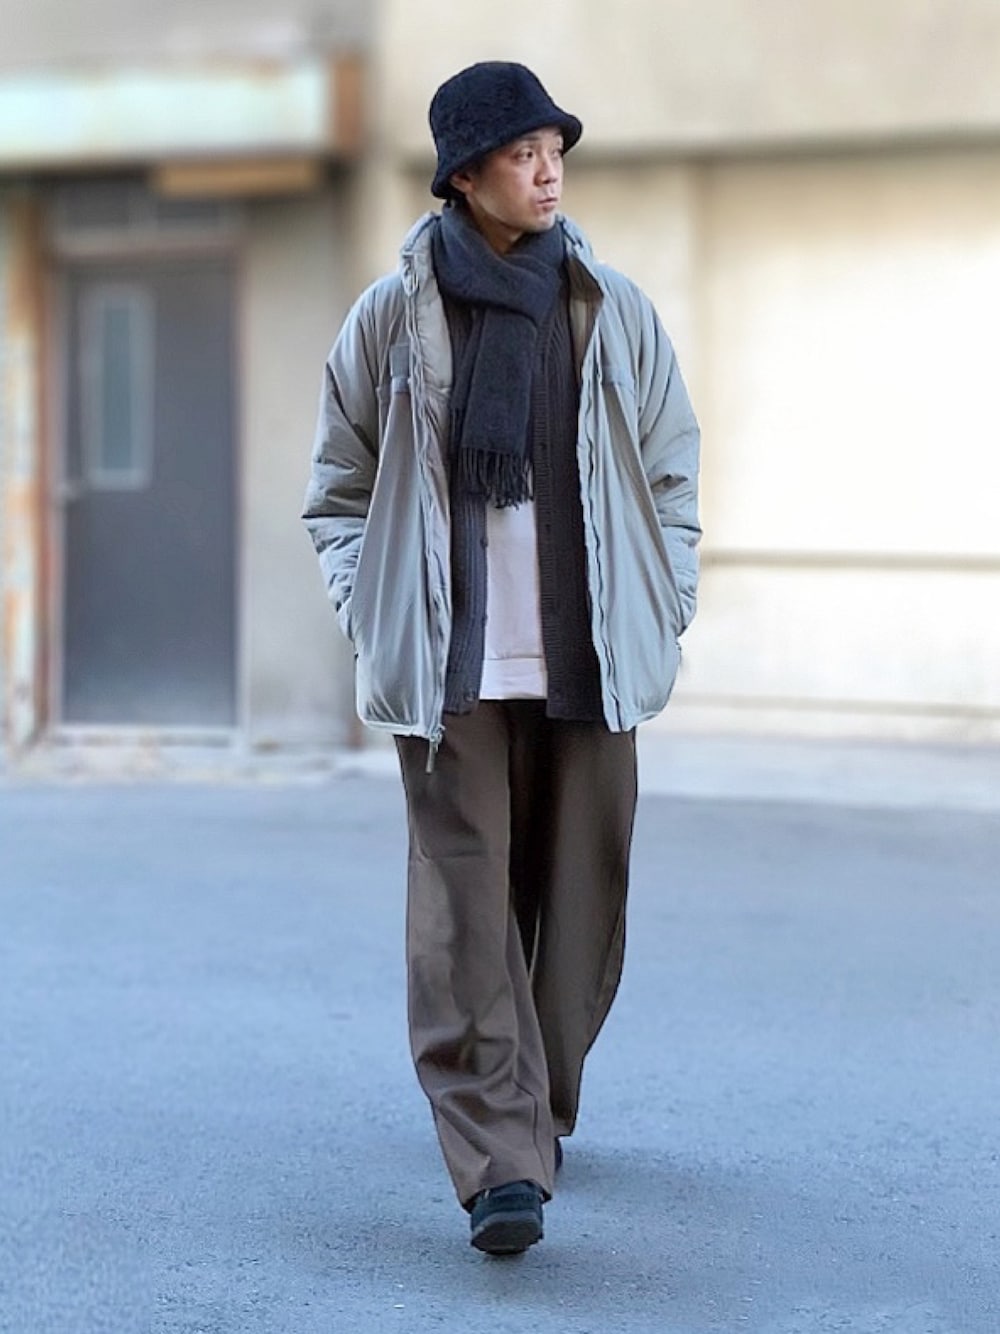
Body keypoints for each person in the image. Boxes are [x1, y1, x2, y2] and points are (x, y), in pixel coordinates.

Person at [302, 60, 701, 1255]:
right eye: (523, 154)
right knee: (464, 916)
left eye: (554, 152)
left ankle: (539, 1098)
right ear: (465, 175)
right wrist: (372, 610)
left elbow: (670, 470)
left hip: (589, 659)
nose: (548, 172)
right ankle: (499, 1163)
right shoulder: (390, 319)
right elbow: (339, 489)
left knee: (576, 915)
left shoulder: (608, 308)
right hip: (451, 670)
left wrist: (665, 598)